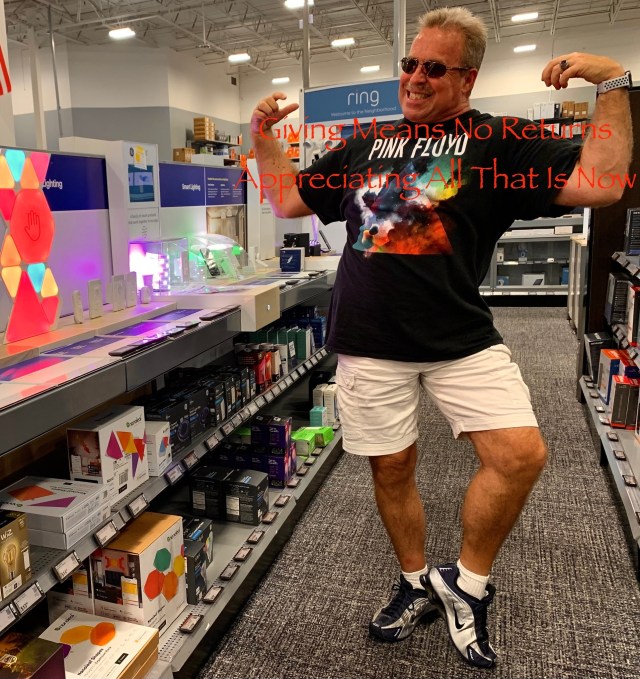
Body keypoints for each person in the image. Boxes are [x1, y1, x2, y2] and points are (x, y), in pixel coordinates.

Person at [249, 6, 632, 669]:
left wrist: (615, 83)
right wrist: (261, 136)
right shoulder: (366, 142)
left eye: (434, 68)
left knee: (520, 455)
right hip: (368, 339)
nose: (416, 78)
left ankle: (466, 583)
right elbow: (286, 199)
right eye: (410, 64)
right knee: (391, 468)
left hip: (460, 336)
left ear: (467, 79)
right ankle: (413, 580)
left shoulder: (498, 140)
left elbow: (602, 183)